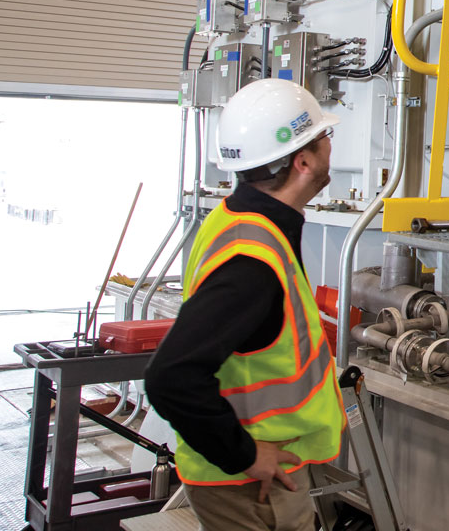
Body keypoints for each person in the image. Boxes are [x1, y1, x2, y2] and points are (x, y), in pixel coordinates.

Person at [145, 79, 345, 531]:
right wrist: (247, 455)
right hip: (249, 489)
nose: (330, 145)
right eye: (324, 136)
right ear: (304, 161)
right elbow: (169, 377)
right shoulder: (252, 264)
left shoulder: (238, 217)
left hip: (243, 478)